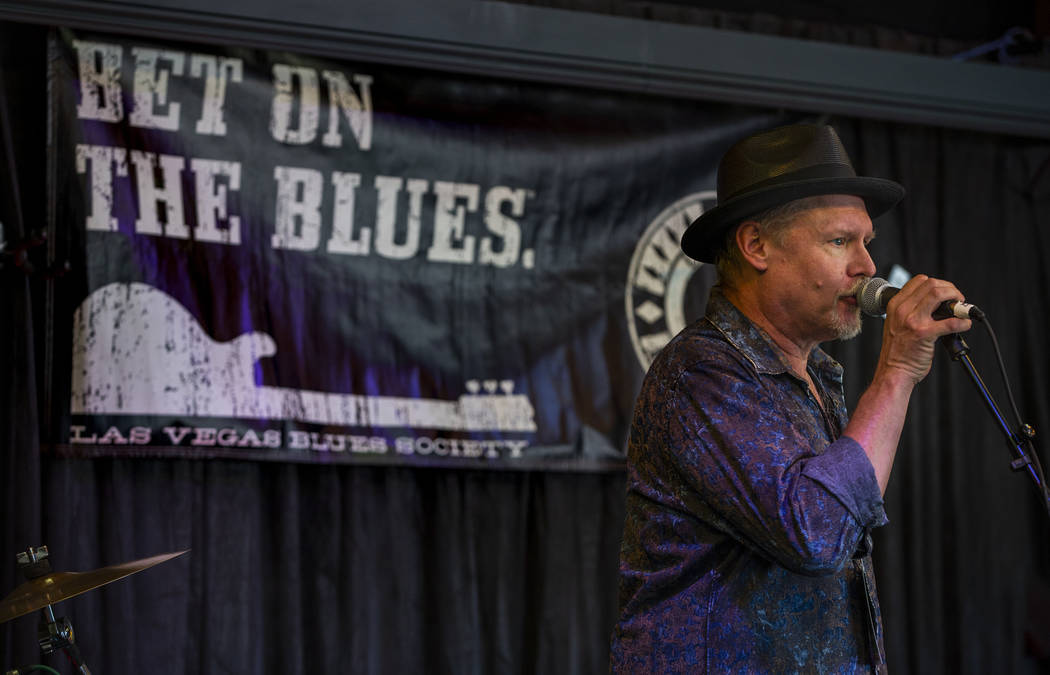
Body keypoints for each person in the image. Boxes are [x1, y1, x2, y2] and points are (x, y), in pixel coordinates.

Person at [609, 123, 972, 673]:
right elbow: (816, 536)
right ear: (756, 245)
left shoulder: (817, 374)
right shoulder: (700, 372)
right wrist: (897, 371)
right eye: (839, 241)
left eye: (866, 242)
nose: (867, 267)